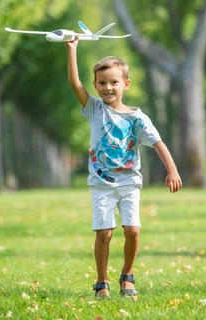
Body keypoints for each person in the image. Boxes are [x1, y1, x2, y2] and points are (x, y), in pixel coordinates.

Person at [65, 36, 182, 299]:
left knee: (132, 230)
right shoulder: (94, 109)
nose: (108, 88)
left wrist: (172, 170)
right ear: (95, 85)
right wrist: (72, 50)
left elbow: (158, 143)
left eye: (114, 82)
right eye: (102, 83)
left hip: (129, 182)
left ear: (125, 84)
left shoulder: (137, 118)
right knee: (104, 233)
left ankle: (127, 274)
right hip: (101, 183)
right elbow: (75, 83)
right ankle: (101, 281)